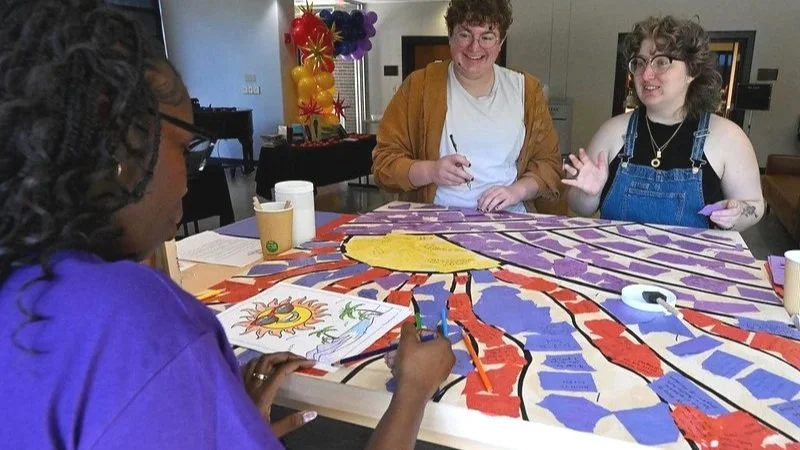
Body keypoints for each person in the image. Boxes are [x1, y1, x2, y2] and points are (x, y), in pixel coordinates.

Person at [0, 1, 454, 449]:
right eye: (186, 148)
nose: (189, 175)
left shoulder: (23, 289)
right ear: (123, 149)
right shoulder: (136, 323)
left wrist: (227, 426)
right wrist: (412, 393)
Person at [563, 16, 764, 231]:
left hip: (691, 263)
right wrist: (588, 194)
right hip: (617, 262)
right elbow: (580, 207)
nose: (646, 75)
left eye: (661, 62)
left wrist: (737, 212)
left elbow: (755, 206)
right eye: (640, 63)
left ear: (692, 71)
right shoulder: (612, 131)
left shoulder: (728, 137)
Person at [372, 0, 562, 214]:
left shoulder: (527, 91)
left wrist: (516, 192)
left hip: (508, 222)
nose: (474, 46)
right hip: (435, 222)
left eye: (487, 37)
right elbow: (383, 164)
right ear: (450, 37)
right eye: (465, 34)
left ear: (501, 42)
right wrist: (431, 171)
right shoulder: (419, 87)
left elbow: (549, 165)